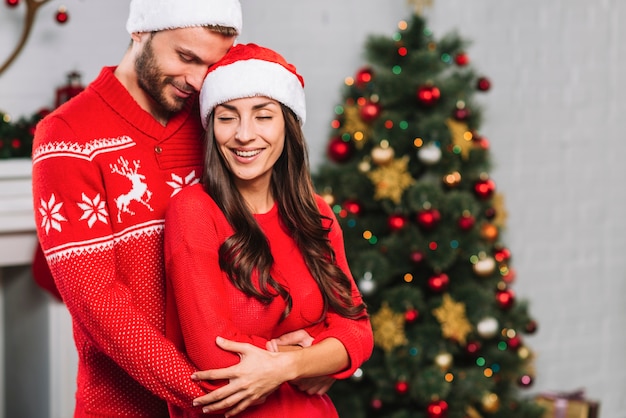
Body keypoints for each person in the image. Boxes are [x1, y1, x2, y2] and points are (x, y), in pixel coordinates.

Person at [29, 0, 258, 416]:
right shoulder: (66, 136)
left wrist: (288, 357)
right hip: (133, 407)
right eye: (186, 57)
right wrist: (221, 394)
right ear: (140, 31)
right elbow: (99, 304)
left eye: (212, 64)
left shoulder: (216, 124)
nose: (198, 79)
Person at [163, 43, 374, 418]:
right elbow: (214, 355)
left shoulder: (316, 214)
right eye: (227, 118)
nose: (244, 135)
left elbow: (357, 332)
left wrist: (284, 366)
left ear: (287, 125)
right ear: (212, 130)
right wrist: (311, 356)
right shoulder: (193, 211)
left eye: (263, 116)